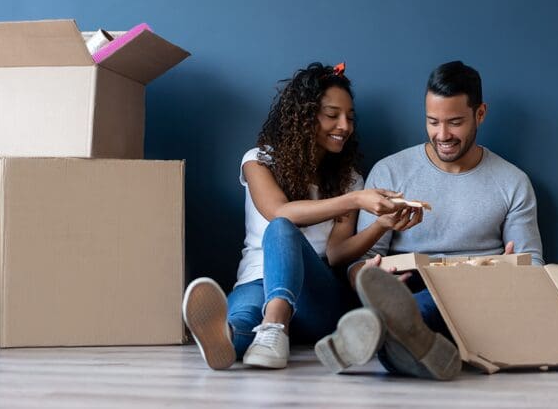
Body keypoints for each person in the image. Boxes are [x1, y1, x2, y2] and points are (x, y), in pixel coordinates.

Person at [181, 62, 423, 370]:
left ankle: (274, 327)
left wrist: (380, 225)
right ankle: (232, 338)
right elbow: (280, 211)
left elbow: (336, 254)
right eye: (332, 115)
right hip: (257, 280)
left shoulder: (349, 179)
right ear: (305, 116)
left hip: (315, 295)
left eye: (349, 117)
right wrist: (354, 201)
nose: (344, 126)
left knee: (282, 230)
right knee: (243, 315)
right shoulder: (258, 161)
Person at [316, 60, 544, 380]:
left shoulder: (512, 182)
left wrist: (509, 272)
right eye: (433, 121)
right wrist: (365, 279)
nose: (443, 134)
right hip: (407, 283)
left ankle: (376, 329)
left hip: (478, 290)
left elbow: (532, 264)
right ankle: (411, 341)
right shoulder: (390, 172)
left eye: (455, 122)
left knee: (430, 302)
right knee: (411, 302)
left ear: (480, 114)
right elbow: (361, 259)